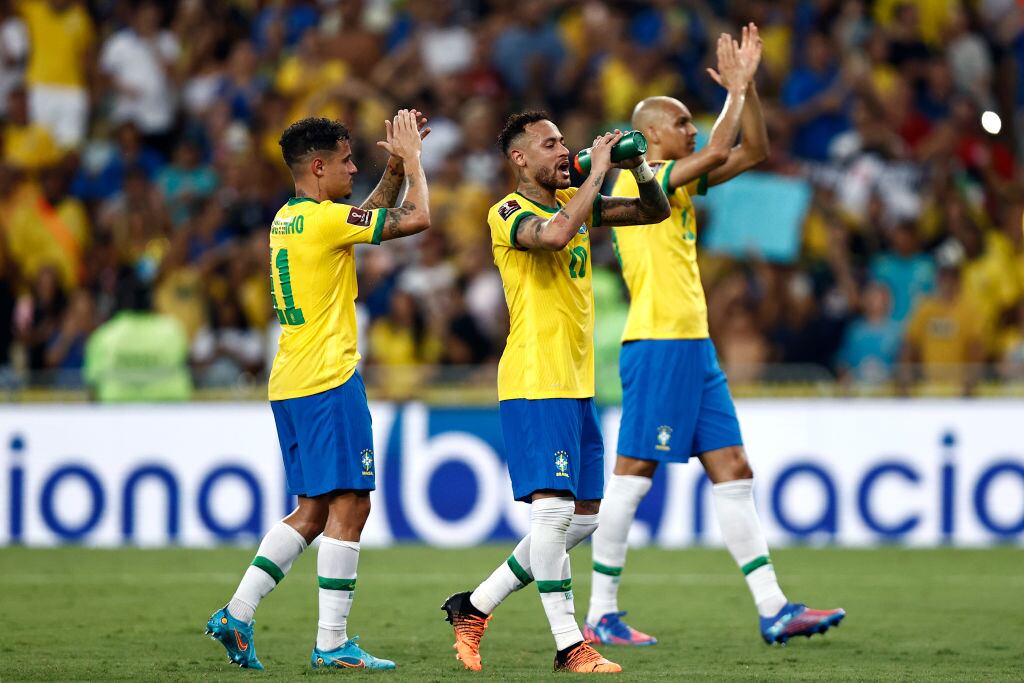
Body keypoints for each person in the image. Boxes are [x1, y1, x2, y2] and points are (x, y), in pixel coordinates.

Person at [586, 24, 846, 648]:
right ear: (648, 136)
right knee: (633, 472)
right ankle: (600, 610)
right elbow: (724, 139)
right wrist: (732, 90)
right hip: (658, 342)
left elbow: (752, 149)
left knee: (733, 467)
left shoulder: (675, 179)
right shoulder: (636, 182)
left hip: (693, 345)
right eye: (680, 123)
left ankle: (774, 608)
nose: (691, 129)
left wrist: (748, 88)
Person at [441, 110, 671, 674]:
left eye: (565, 142)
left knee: (585, 518)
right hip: (534, 378)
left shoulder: (576, 202)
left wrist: (636, 165)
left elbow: (653, 211)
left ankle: (474, 606)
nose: (564, 151)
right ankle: (570, 645)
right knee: (552, 516)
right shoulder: (509, 212)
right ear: (520, 159)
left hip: (576, 383)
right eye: (551, 145)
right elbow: (556, 234)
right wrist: (594, 174)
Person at [205, 110, 431, 671]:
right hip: (329, 380)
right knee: (352, 503)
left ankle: (237, 613)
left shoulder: (291, 218)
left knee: (311, 511)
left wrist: (396, 164)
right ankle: (331, 643)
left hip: (292, 379)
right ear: (318, 165)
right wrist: (417, 164)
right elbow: (418, 218)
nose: (356, 169)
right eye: (349, 161)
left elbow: (367, 213)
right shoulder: (327, 221)